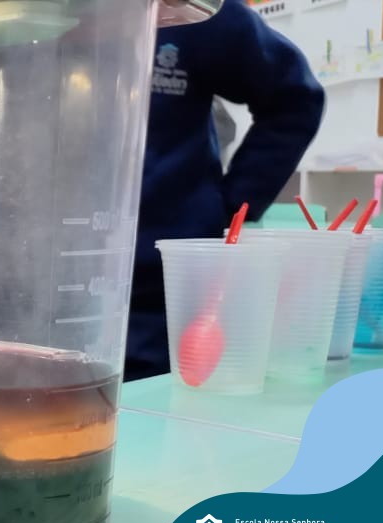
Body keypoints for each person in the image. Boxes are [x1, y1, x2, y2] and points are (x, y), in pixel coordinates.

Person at [126, 0, 325, 380]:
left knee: (152, 407)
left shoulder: (192, 11)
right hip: (24, 286)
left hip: (159, 293)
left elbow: (294, 98)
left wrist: (234, 203)